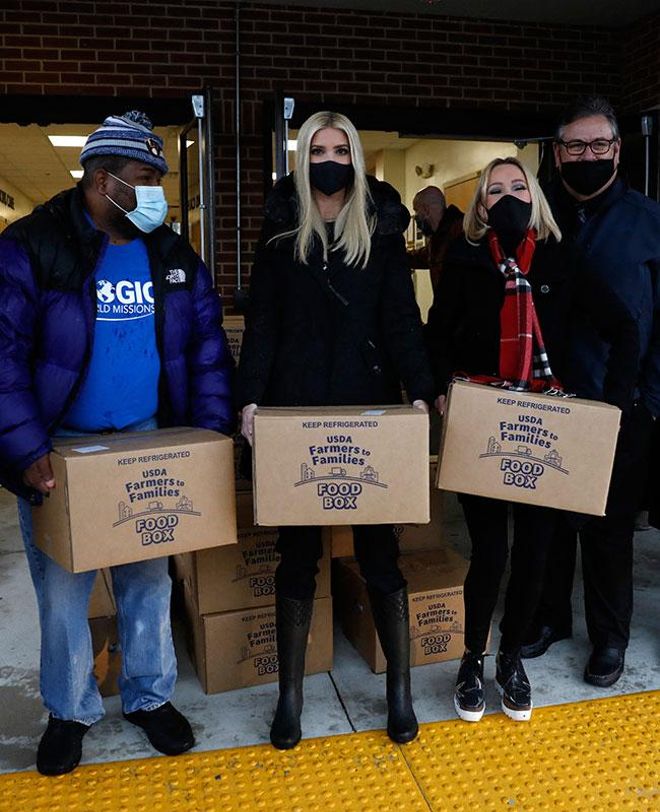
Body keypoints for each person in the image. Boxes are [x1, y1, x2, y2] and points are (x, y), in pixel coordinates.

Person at [0, 111, 235, 775]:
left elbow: (206, 346)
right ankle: (70, 709)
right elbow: (4, 355)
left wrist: (210, 437)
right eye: (144, 178)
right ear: (101, 181)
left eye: (159, 178)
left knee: (147, 582)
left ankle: (148, 698)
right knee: (63, 594)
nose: (156, 191)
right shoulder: (34, 245)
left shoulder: (169, 252)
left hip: (146, 443)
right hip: (62, 451)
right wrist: (22, 449)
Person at [237, 111, 434, 750]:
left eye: (339, 147)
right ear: (302, 158)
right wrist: (250, 401)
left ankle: (399, 693)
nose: (328, 158)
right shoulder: (278, 228)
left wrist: (423, 389)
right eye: (316, 148)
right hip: (295, 410)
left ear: (354, 155)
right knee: (297, 555)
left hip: (367, 408)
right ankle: (290, 697)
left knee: (380, 554)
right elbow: (261, 321)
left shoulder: (376, 227)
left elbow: (402, 319)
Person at [521, 96, 660, 688]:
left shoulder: (649, 221)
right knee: (546, 522)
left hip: (619, 403)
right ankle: (550, 619)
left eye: (597, 145)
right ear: (557, 153)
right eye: (574, 147)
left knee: (608, 531)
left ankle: (609, 640)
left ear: (617, 149)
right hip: (546, 401)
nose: (586, 156)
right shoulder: (536, 217)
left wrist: (647, 402)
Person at [426, 157, 571, 723]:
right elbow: (437, 333)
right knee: (490, 551)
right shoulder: (464, 260)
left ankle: (511, 656)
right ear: (482, 207)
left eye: (518, 187)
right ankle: (471, 657)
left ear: (534, 195)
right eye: (495, 191)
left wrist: (603, 397)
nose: (507, 197)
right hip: (484, 418)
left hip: (547, 423)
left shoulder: (560, 257)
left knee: (535, 550)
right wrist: (440, 390)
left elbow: (606, 325)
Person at [408, 186, 463, 289]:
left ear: (426, 210)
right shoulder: (438, 237)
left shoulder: (459, 233)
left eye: (416, 210)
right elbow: (422, 256)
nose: (416, 216)